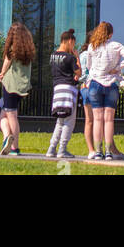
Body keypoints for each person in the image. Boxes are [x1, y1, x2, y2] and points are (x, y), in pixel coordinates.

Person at [85, 21, 124, 161]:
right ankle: (108, 152)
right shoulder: (116, 46)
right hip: (111, 83)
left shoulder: (92, 46)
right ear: (111, 34)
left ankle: (97, 151)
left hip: (95, 83)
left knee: (97, 119)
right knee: (109, 120)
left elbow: (89, 66)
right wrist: (118, 68)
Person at [0, 22, 36, 157]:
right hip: (22, 87)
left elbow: (6, 65)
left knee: (11, 115)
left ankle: (13, 146)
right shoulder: (28, 51)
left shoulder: (12, 49)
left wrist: (1, 74)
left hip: (10, 86)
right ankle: (7, 138)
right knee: (4, 114)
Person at [46, 28, 81, 160]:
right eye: (73, 44)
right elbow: (79, 73)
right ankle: (62, 149)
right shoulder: (70, 57)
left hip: (57, 89)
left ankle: (51, 148)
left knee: (60, 120)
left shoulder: (53, 55)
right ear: (69, 41)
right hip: (68, 90)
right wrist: (77, 57)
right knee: (69, 121)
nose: (73, 46)